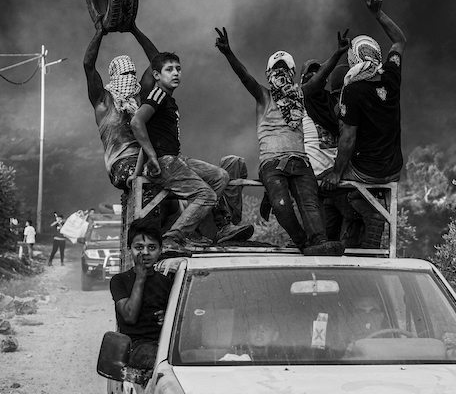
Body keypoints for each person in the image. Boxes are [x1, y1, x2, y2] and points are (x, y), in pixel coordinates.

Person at [215, 28, 336, 255]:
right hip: (272, 164)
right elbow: (245, 76)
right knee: (282, 207)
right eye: (276, 69)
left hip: (300, 163)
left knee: (310, 204)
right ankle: (303, 243)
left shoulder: (301, 94)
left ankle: (319, 242)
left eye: (285, 69)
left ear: (291, 73)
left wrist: (338, 53)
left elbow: (319, 79)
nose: (281, 74)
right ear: (268, 73)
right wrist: (228, 53)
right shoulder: (263, 96)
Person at [131, 50, 252, 250]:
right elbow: (136, 122)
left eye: (178, 69)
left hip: (177, 159)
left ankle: (215, 226)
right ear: (156, 75)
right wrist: (151, 158)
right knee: (206, 195)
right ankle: (173, 238)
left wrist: (136, 173)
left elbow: (149, 136)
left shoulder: (168, 99)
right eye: (169, 69)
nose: (176, 73)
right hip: (166, 163)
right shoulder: (158, 94)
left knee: (221, 176)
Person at [322, 0, 406, 250]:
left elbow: (348, 139)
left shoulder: (352, 90)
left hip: (367, 171)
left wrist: (336, 173)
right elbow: (399, 41)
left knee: (321, 183)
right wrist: (378, 14)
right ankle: (364, 227)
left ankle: (330, 241)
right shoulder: (392, 78)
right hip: (393, 168)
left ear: (353, 59)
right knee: (335, 178)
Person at [82, 19, 163, 191]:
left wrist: (134, 29)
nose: (130, 77)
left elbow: (157, 62)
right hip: (121, 165)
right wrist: (99, 32)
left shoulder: (139, 96)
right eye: (125, 74)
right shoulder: (103, 101)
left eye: (132, 73)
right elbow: (88, 65)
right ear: (114, 75)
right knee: (148, 176)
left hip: (147, 158)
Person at [301, 30, 360, 248]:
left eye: (319, 73)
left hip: (336, 176)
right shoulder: (305, 95)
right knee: (362, 213)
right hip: (319, 177)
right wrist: (337, 53)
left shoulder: (330, 103)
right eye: (311, 73)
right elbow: (315, 83)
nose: (316, 76)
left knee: (337, 235)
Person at [109, 224, 173, 369]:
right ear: (129, 250)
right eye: (139, 247)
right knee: (160, 362)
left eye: (151, 248)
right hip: (135, 347)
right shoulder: (120, 281)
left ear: (160, 250)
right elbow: (129, 316)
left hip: (166, 344)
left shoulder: (168, 282)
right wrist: (140, 278)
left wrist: (168, 317)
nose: (145, 253)